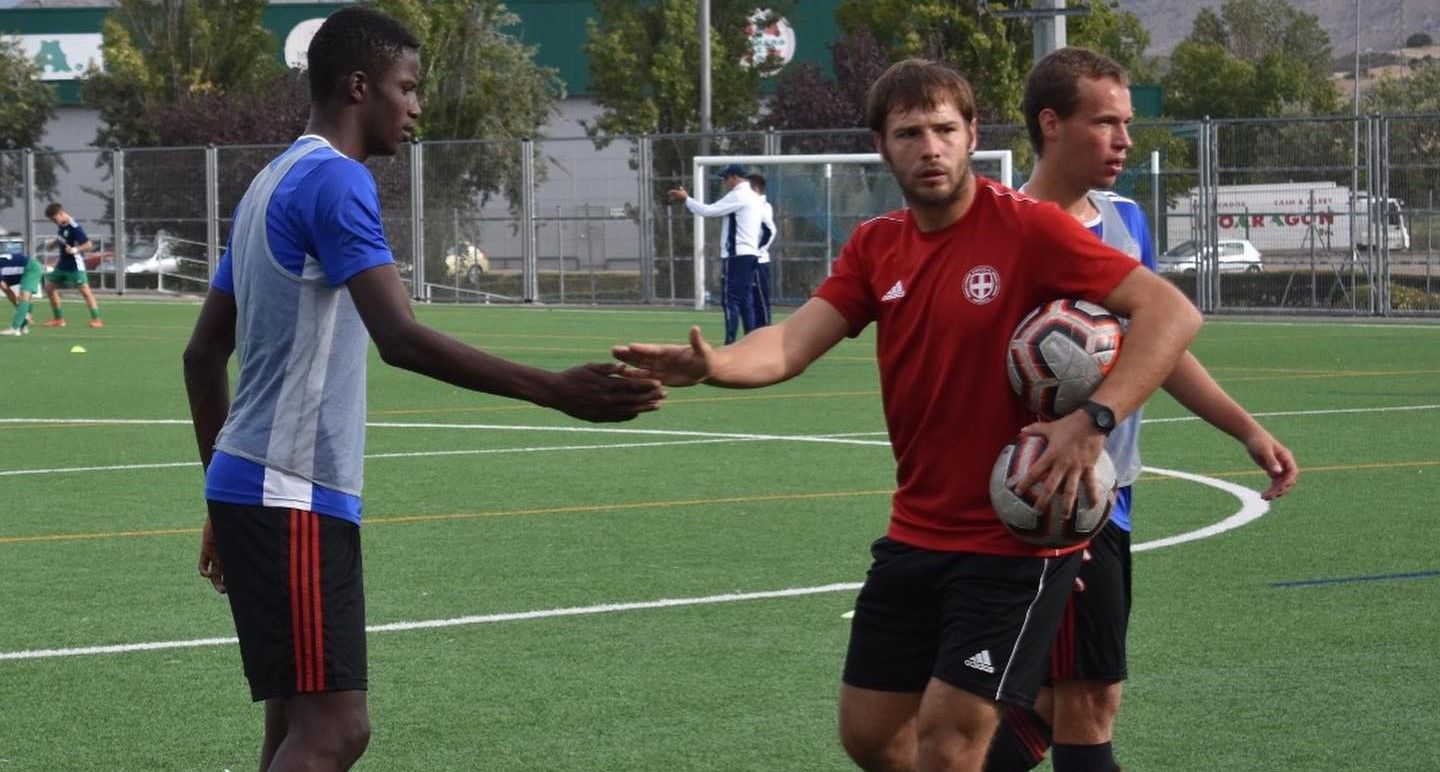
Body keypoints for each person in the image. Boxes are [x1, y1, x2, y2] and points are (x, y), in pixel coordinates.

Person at [614, 58, 1203, 772]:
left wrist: (1094, 421)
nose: (931, 148)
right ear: (881, 146)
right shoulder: (877, 245)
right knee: (870, 735)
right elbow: (791, 343)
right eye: (910, 133)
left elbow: (1170, 313)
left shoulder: (1030, 230)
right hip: (918, 527)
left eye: (945, 130)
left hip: (1014, 534)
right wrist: (715, 364)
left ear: (972, 135)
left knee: (949, 742)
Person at [181, 8, 664, 771]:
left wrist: (220, 492)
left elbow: (201, 354)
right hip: (291, 492)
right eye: (407, 87)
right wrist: (554, 390)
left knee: (294, 727)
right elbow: (399, 337)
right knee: (334, 731)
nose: (416, 107)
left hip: (254, 484)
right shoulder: (337, 181)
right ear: (359, 85)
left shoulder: (271, 180)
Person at [982, 47, 1301, 772]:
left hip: (1109, 496)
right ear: (1051, 124)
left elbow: (1156, 346)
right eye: (1106, 123)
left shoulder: (1125, 220)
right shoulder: (1000, 229)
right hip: (1045, 497)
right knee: (1086, 700)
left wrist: (1245, 429)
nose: (1124, 140)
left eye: (1127, 123)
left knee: (1057, 700)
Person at [668, 164, 766, 344]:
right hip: (751, 254)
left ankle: (730, 342)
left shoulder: (738, 194)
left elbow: (708, 211)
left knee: (730, 300)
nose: (724, 182)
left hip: (737, 256)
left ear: (734, 177)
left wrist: (686, 199)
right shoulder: (754, 196)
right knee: (746, 301)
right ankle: (751, 343)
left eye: (725, 178)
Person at [41, 202, 103, 328]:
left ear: (60, 214)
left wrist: (75, 250)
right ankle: (59, 319)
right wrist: (52, 244)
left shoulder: (75, 227)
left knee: (85, 292)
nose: (53, 222)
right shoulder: (61, 225)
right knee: (49, 288)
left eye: (54, 219)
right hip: (62, 265)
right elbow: (62, 238)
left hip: (75, 265)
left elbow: (88, 245)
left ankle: (97, 320)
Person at [747, 173, 778, 327]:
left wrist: (758, 252)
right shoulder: (748, 205)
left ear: (756, 189)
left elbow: (770, 231)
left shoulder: (763, 206)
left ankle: (765, 331)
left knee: (760, 300)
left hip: (759, 262)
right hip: (747, 260)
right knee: (749, 301)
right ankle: (752, 333)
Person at [0, 247, 41, 335]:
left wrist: (21, 310)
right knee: (27, 297)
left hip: (31, 267)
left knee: (24, 295)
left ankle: (15, 328)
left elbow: (7, 291)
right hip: (30, 268)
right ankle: (23, 327)